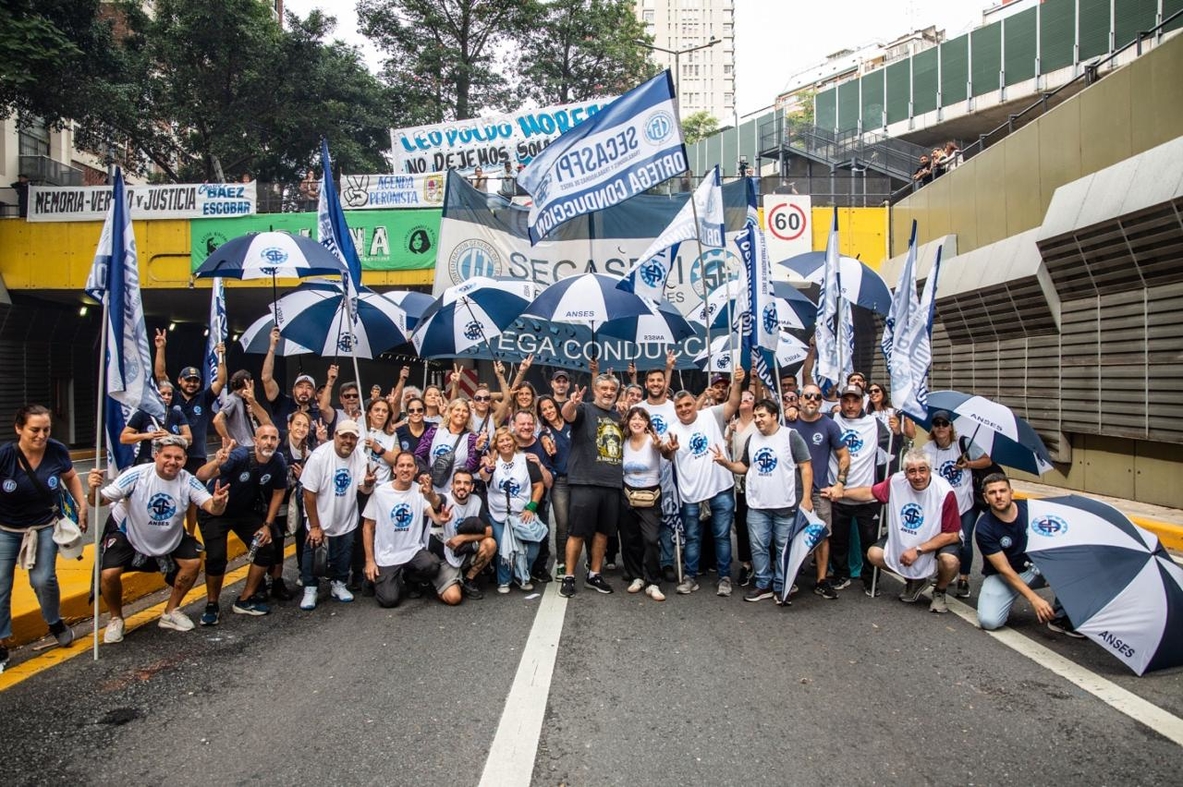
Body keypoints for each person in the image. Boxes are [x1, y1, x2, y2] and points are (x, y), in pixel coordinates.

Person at [88, 435, 228, 643]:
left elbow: (212, 507)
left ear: (185, 460)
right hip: (129, 531)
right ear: (156, 455)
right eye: (167, 456)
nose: (172, 462)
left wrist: (217, 502)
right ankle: (116, 618)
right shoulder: (136, 475)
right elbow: (98, 501)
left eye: (178, 458)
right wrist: (93, 488)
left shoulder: (187, 480)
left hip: (170, 534)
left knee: (192, 563)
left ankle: (171, 612)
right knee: (108, 574)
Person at [0, 405, 88, 665]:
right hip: (6, 528)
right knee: (1, 584)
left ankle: (54, 622)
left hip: (45, 526)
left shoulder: (56, 450)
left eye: (46, 430)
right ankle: (1, 640)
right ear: (19, 428)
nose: (41, 436)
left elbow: (71, 477)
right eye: (34, 430)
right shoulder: (5, 455)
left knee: (43, 579)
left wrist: (81, 505)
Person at [824, 448, 960, 613]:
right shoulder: (896, 481)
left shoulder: (944, 491)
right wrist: (841, 492)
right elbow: (870, 493)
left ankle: (939, 591)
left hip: (937, 538)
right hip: (907, 535)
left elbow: (952, 535)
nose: (917, 476)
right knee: (874, 554)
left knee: (949, 561)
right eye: (912, 471)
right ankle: (914, 580)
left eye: (922, 470)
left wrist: (918, 550)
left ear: (930, 470)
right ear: (905, 473)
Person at [713, 398, 812, 603]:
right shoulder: (752, 439)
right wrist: (725, 463)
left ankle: (782, 585)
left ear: (774, 416)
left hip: (785, 505)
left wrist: (806, 498)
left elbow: (805, 467)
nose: (757, 420)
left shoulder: (791, 436)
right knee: (758, 547)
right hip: (757, 505)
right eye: (756, 416)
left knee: (784, 548)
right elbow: (743, 467)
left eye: (762, 415)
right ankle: (763, 583)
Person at [194, 426, 287, 623]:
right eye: (264, 438)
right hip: (217, 510)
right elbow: (201, 475)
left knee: (265, 548)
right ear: (255, 440)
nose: (269, 442)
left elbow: (279, 492)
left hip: (244, 511)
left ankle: (245, 599)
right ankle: (212, 604)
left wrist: (267, 525)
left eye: (273, 438)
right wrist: (217, 462)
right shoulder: (240, 456)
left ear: (278, 442)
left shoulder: (278, 461)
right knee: (216, 557)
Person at [665, 368, 744, 597]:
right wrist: (668, 449)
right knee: (692, 538)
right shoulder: (672, 430)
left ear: (695, 404)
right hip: (691, 494)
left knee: (722, 536)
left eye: (687, 405)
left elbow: (734, 403)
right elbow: (666, 454)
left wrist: (738, 383)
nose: (684, 409)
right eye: (679, 407)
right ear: (675, 410)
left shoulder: (711, 415)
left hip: (720, 488)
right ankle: (690, 577)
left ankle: (724, 578)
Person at [974, 474, 1083, 637]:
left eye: (1002, 491)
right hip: (1004, 577)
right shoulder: (984, 528)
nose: (998, 496)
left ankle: (1061, 618)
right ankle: (1006, 597)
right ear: (985, 498)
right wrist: (1034, 599)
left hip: (1037, 568)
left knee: (1075, 562)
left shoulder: (1032, 510)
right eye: (992, 492)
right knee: (989, 622)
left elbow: (1057, 535)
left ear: (1011, 492)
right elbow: (1004, 569)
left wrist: (1054, 568)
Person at [558, 374, 625, 597]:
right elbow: (567, 415)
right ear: (595, 390)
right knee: (577, 532)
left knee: (603, 533)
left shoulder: (619, 416)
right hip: (584, 482)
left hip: (612, 483)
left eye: (612, 389)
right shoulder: (584, 409)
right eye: (604, 388)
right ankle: (569, 576)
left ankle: (594, 574)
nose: (608, 392)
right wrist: (571, 403)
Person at [299, 420, 376, 610]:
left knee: (345, 551)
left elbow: (363, 489)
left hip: (346, 515)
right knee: (312, 550)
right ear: (335, 436)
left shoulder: (360, 456)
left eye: (352, 437)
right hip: (321, 515)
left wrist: (368, 483)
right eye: (344, 436)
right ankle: (310, 588)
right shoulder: (319, 457)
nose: (348, 441)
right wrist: (315, 526)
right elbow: (308, 493)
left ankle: (339, 583)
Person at [362, 452, 456, 607]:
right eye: (401, 465)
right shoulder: (380, 493)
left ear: (416, 469)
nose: (405, 469)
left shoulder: (419, 491)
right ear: (394, 469)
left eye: (409, 466)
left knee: (432, 566)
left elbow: (436, 518)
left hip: (412, 551)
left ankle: (410, 578)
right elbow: (367, 527)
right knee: (389, 600)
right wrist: (370, 561)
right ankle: (371, 579)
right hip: (387, 555)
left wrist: (442, 518)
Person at [828, 384, 891, 595]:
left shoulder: (874, 423)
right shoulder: (831, 420)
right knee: (838, 541)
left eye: (855, 400)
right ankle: (841, 575)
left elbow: (893, 445)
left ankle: (870, 580)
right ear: (840, 401)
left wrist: (898, 431)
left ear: (862, 402)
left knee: (869, 543)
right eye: (846, 400)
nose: (850, 405)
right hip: (837, 494)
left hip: (866, 495)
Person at [923, 410, 992, 600]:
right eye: (937, 424)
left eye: (944, 424)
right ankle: (945, 571)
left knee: (965, 540)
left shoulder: (964, 443)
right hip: (941, 504)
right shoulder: (927, 449)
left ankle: (963, 578)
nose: (940, 427)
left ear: (951, 426)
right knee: (940, 539)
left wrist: (968, 464)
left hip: (965, 501)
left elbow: (987, 460)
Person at [788, 384, 848, 600]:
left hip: (819, 489)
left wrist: (840, 483)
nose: (812, 400)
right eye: (808, 396)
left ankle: (821, 580)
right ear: (800, 399)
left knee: (822, 535)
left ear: (821, 401)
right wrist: (788, 410)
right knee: (791, 533)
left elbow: (844, 455)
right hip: (791, 490)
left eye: (817, 397)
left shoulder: (829, 425)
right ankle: (791, 578)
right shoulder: (788, 422)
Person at [153, 328, 227, 478]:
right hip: (173, 454)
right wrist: (160, 348)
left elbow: (221, 381)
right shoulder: (172, 396)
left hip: (197, 456)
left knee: (196, 489)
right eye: (188, 380)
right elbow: (160, 375)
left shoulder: (204, 398)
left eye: (195, 381)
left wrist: (221, 357)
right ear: (180, 380)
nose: (192, 384)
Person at [479, 427, 545, 593]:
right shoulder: (491, 462)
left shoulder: (526, 460)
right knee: (504, 548)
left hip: (522, 513)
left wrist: (532, 507)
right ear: (496, 445)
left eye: (508, 439)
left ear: (514, 442)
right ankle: (504, 580)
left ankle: (522, 575)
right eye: (501, 441)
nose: (505, 443)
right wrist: (488, 468)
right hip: (498, 514)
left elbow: (539, 486)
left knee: (532, 548)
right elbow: (484, 476)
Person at [638, 353, 680, 582]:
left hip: (670, 470)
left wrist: (669, 368)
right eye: (651, 381)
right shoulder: (637, 408)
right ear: (645, 384)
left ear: (665, 383)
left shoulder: (675, 408)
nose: (655, 384)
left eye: (659, 380)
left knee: (667, 517)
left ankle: (667, 562)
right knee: (645, 520)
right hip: (644, 473)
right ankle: (644, 564)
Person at [269, 410, 319, 601]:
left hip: (296, 502)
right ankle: (274, 579)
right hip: (274, 500)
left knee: (301, 536)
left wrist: (302, 477)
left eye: (305, 426)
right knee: (276, 540)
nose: (301, 428)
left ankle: (302, 572)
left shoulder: (310, 451)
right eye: (297, 424)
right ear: (289, 425)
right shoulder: (278, 445)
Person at [620, 407, 667, 601]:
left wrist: (662, 447)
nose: (637, 422)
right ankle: (636, 576)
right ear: (628, 422)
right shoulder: (624, 441)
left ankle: (653, 581)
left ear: (647, 422)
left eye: (641, 419)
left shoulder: (654, 440)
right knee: (630, 539)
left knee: (651, 539)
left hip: (650, 496)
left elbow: (666, 452)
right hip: (627, 495)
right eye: (633, 418)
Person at [433, 469, 496, 599]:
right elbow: (434, 500)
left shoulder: (476, 500)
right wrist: (428, 492)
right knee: (454, 598)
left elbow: (489, 531)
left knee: (490, 544)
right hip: (445, 557)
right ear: (452, 485)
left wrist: (462, 538)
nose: (462, 486)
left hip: (465, 551)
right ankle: (443, 581)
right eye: (458, 482)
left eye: (466, 483)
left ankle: (468, 579)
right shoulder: (444, 499)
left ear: (472, 487)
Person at [510, 409, 554, 582]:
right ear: (513, 425)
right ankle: (508, 570)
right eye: (522, 424)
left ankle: (539, 568)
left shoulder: (542, 446)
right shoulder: (507, 443)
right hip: (511, 501)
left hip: (537, 500)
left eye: (530, 424)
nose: (527, 427)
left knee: (541, 534)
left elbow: (549, 483)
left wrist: (540, 465)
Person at [261, 327, 325, 442]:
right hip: (281, 451)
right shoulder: (282, 403)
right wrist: (272, 347)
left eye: (309, 387)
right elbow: (266, 378)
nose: (304, 390)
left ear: (313, 393)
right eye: (300, 386)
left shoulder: (318, 414)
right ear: (293, 390)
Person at [415, 398, 487, 499]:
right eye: (457, 410)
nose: (461, 414)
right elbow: (418, 455)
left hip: (456, 494)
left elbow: (471, 469)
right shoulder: (434, 431)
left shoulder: (471, 439)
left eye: (465, 411)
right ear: (450, 412)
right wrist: (423, 473)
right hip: (431, 490)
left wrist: (478, 450)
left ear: (468, 416)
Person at [536, 395, 572, 579]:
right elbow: (544, 440)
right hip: (560, 483)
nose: (548, 411)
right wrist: (546, 442)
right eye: (544, 409)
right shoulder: (545, 434)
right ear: (541, 414)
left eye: (550, 407)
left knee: (583, 522)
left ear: (557, 407)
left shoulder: (571, 424)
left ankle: (589, 560)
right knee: (562, 524)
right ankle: (562, 561)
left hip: (580, 480)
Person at [724, 389, 757, 587]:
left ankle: (765, 562)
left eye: (749, 398)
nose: (745, 400)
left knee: (759, 524)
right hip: (738, 482)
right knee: (742, 524)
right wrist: (729, 433)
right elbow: (726, 449)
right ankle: (746, 563)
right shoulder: (732, 424)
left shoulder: (759, 423)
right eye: (742, 398)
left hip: (758, 481)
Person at [120, 381, 192, 464]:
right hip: (147, 461)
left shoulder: (177, 414)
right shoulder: (143, 414)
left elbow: (189, 439)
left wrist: (171, 436)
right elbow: (124, 438)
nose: (166, 397)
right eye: (163, 394)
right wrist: (147, 435)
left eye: (169, 394)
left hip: (170, 462)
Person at [213, 370, 273, 449]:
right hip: (242, 446)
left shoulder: (244, 399)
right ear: (246, 383)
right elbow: (217, 420)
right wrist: (228, 439)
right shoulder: (232, 400)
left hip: (251, 444)